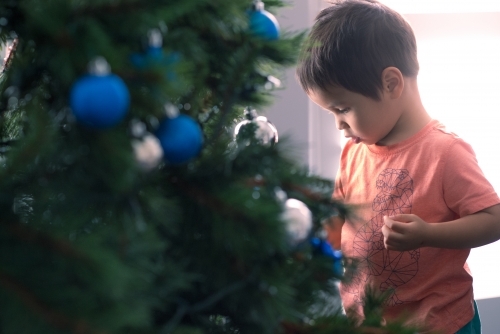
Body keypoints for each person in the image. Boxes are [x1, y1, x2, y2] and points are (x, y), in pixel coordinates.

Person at [295, 0, 500, 333]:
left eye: (343, 109)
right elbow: (340, 219)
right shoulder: (353, 151)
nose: (338, 125)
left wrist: (428, 234)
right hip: (370, 322)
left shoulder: (445, 152)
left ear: (391, 84)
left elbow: (494, 219)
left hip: (438, 323)